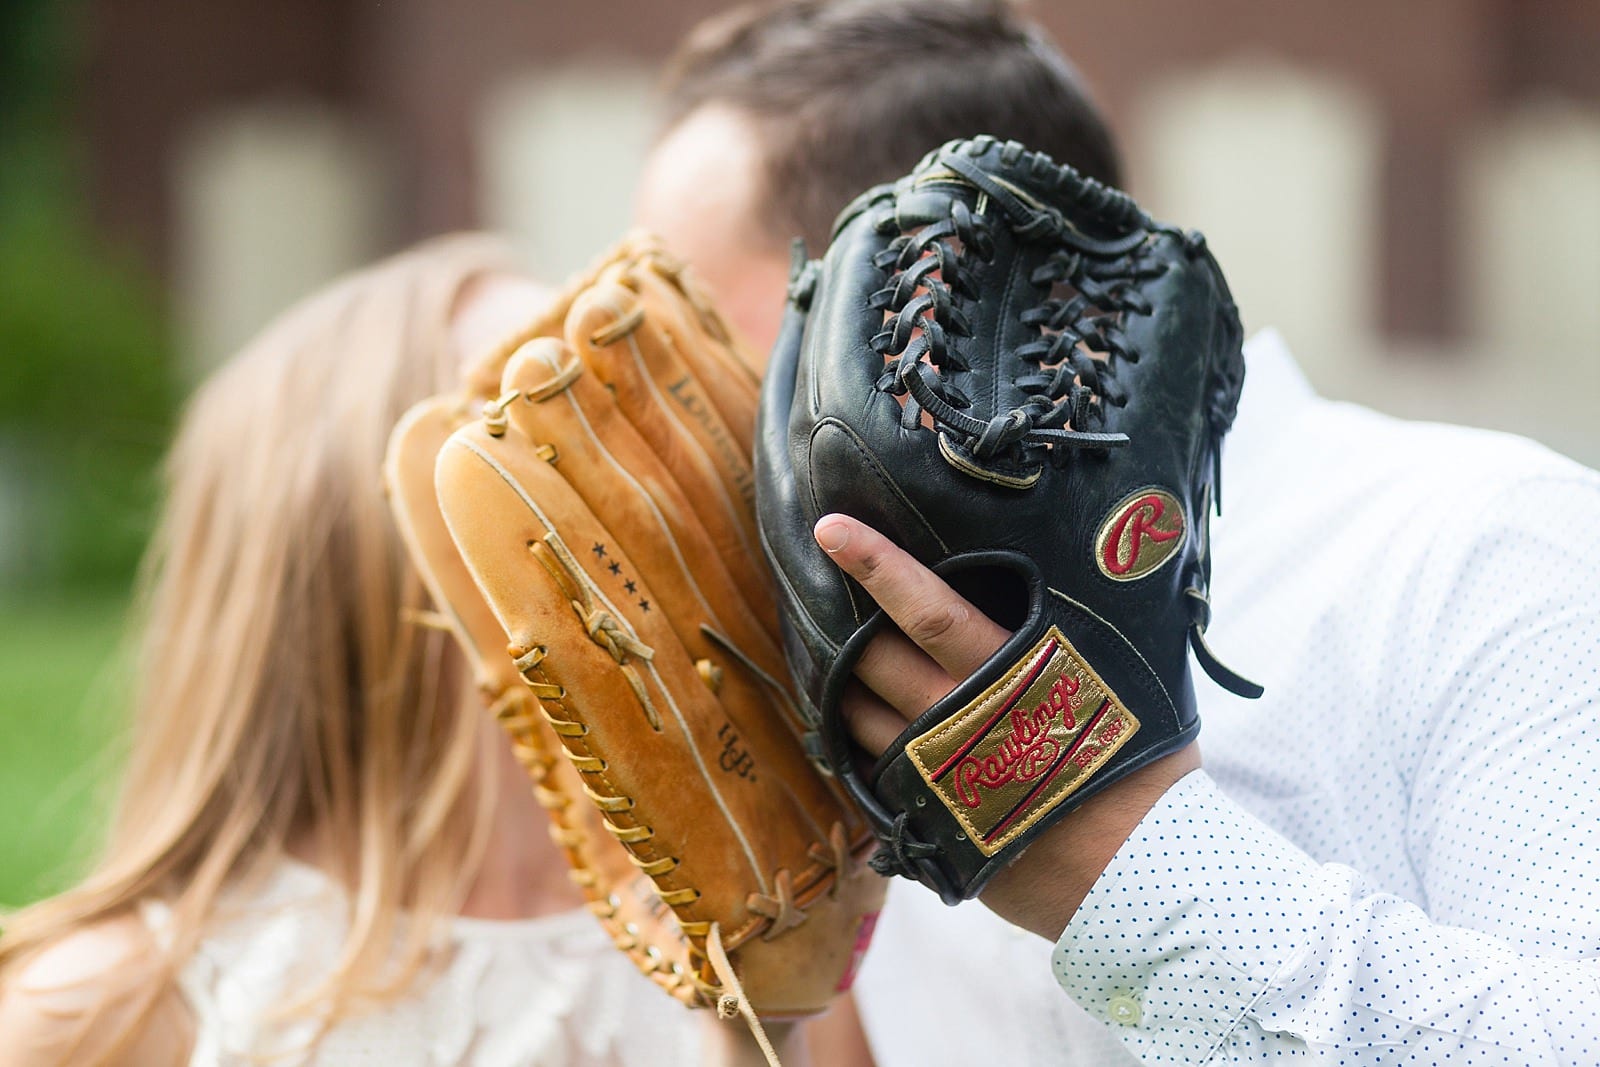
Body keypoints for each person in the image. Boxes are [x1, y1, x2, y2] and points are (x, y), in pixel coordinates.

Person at [634, 1, 1600, 1062]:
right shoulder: (864, 664)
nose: (682, 422)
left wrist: (1123, 863)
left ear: (928, 290)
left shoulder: (1486, 544)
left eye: (704, 346)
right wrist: (752, 998)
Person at [0, 236, 854, 1066]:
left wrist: (761, 1027)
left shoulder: (778, 914)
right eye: (533, 422)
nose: (628, 459)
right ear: (351, 542)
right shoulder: (104, 1008)